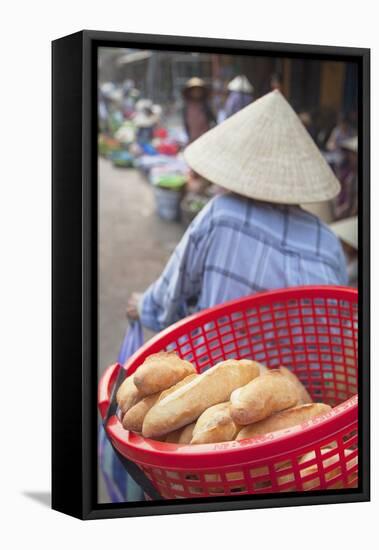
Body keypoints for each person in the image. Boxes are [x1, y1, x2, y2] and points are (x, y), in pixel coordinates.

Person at [127, 90, 347, 331]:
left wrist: (144, 306)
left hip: (219, 365)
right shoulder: (327, 240)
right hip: (305, 369)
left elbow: (171, 296)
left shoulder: (222, 216)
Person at [182, 77, 215, 143]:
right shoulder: (186, 107)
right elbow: (186, 124)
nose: (196, 92)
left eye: (198, 90)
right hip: (192, 139)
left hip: (206, 138)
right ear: (190, 92)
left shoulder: (206, 106)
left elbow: (213, 121)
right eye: (194, 90)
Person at [333, 136, 358, 220]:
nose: (350, 157)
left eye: (353, 154)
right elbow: (349, 203)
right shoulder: (351, 175)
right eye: (350, 154)